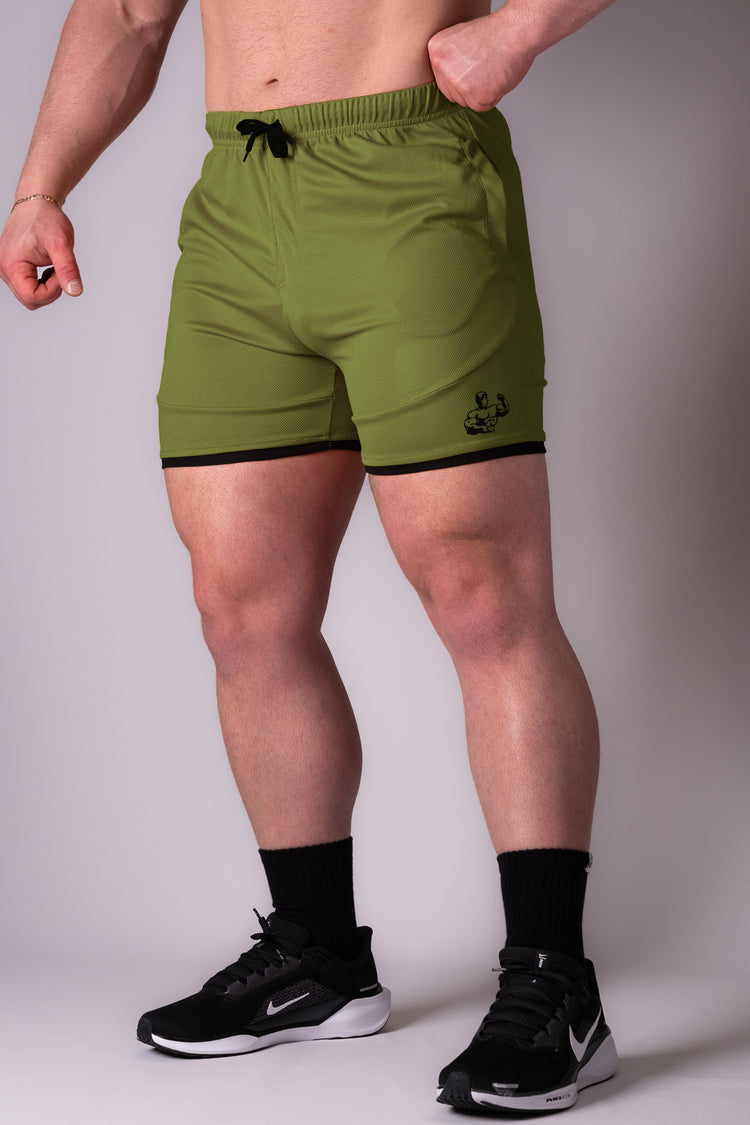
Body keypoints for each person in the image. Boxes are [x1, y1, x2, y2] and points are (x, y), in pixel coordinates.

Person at [0, 0, 620, 1113]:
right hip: (241, 201)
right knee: (243, 605)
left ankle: (554, 984)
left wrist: (520, 29)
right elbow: (132, 11)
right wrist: (42, 185)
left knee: (481, 592)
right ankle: (317, 957)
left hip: (413, 175)